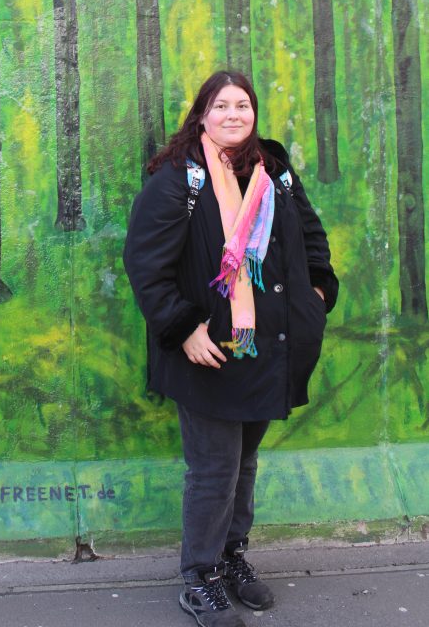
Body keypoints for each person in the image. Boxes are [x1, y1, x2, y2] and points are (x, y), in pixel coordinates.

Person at [123, 70, 338, 627]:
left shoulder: (274, 170)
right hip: (209, 349)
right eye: (222, 106)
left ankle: (229, 557)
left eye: (243, 105)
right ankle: (198, 577)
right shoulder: (179, 179)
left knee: (243, 464)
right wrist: (183, 328)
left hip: (270, 348)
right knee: (214, 468)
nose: (234, 115)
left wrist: (317, 291)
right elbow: (146, 264)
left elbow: (311, 235)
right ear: (202, 115)